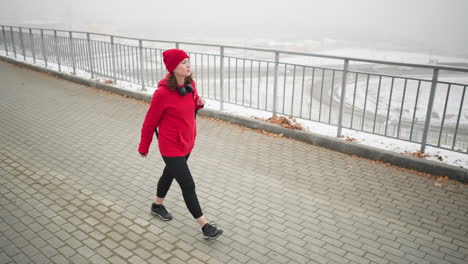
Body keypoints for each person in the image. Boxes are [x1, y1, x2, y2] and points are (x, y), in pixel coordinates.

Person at [138, 49, 223, 240]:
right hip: (170, 146)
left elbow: (191, 105)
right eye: (183, 62)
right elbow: (150, 122)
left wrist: (199, 103)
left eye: (188, 61)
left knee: (168, 174)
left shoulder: (190, 84)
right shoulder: (161, 94)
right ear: (173, 68)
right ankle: (205, 226)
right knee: (188, 184)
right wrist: (144, 146)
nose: (188, 65)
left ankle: (157, 205)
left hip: (187, 142)